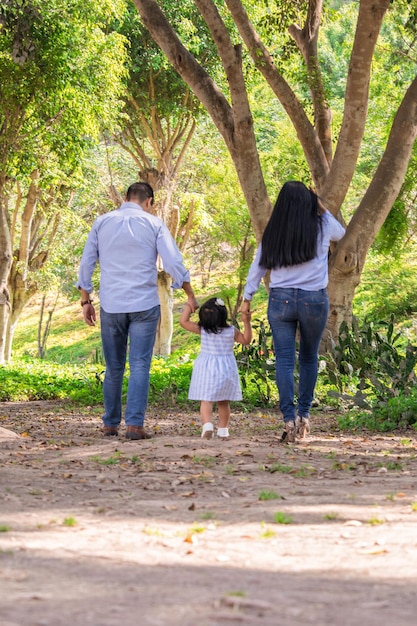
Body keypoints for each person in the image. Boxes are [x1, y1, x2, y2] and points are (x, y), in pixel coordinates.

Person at [77, 182, 198, 440]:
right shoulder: (153, 224)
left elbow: (87, 261)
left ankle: (110, 424)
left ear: (125, 198)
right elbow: (173, 261)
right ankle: (134, 425)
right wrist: (188, 292)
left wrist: (85, 300)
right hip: (144, 304)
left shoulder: (102, 222)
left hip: (111, 305)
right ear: (149, 201)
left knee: (114, 367)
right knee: (140, 364)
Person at [241, 181, 345, 443]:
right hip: (314, 301)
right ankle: (304, 417)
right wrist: (319, 203)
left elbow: (257, 267)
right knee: (309, 357)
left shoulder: (273, 232)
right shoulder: (321, 225)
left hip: (280, 301)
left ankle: (288, 419)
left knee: (285, 360)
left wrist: (247, 298)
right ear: (309, 203)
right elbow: (341, 234)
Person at [180, 297, 252, 439]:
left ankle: (207, 425)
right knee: (223, 401)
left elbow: (183, 322)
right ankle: (223, 430)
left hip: (206, 368)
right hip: (226, 369)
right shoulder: (231, 331)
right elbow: (246, 340)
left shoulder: (203, 330)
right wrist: (246, 322)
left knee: (206, 400)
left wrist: (190, 305)